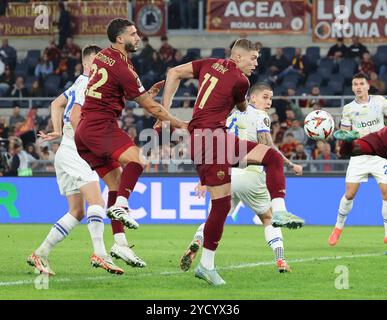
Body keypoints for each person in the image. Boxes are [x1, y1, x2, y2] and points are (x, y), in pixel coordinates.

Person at [161, 39, 302, 285]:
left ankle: (206, 266)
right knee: (270, 157)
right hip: (212, 139)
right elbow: (242, 104)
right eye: (253, 58)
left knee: (222, 206)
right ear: (238, 57)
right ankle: (278, 211)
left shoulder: (209, 64)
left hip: (203, 139)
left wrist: (165, 113)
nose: (256, 63)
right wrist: (248, 107)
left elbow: (173, 72)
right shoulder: (241, 80)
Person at [27, 46, 144, 277]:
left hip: (67, 149)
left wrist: (59, 130)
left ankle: (40, 253)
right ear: (87, 64)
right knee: (97, 201)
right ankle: (100, 253)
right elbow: (75, 114)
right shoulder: (88, 83)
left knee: (77, 211)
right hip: (78, 149)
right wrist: (90, 138)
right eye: (95, 63)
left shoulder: (78, 82)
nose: (100, 67)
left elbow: (55, 104)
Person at [74, 19, 186, 244]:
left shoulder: (104, 55)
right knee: (138, 160)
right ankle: (122, 205)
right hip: (100, 126)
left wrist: (147, 97)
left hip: (85, 131)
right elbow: (150, 108)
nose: (138, 38)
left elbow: (110, 91)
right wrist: (180, 123)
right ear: (120, 38)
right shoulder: (123, 68)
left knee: (115, 184)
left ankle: (120, 244)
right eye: (133, 34)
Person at [180, 83, 305, 275]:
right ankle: (280, 259)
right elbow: (267, 146)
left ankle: (197, 240)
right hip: (251, 174)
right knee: (268, 218)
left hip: (226, 173)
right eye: (265, 97)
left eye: (270, 98)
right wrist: (289, 164)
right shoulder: (260, 116)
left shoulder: (231, 116)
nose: (268, 102)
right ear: (252, 98)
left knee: (216, 217)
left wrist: (204, 179)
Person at [329, 73, 387, 246]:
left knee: (386, 193)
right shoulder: (348, 109)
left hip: (380, 155)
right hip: (359, 154)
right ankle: (338, 228)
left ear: (368, 86)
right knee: (350, 193)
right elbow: (344, 135)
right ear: (353, 87)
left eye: (361, 83)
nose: (358, 87)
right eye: (355, 84)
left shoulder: (380, 102)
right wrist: (344, 138)